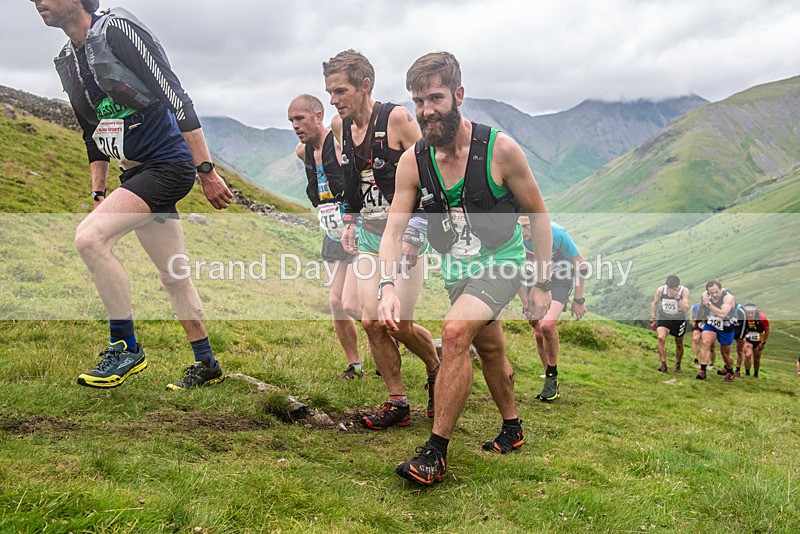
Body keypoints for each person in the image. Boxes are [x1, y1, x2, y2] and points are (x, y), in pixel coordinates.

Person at [34, 0, 233, 389]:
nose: (38, 3)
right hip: (134, 172)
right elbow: (93, 132)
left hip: (169, 165)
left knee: (90, 239)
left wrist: (205, 170)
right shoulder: (67, 60)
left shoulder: (117, 31)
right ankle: (207, 362)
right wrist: (98, 190)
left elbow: (176, 96)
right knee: (173, 275)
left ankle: (125, 346)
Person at [377, 52, 552, 486]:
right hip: (458, 271)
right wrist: (386, 286)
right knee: (490, 349)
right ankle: (512, 428)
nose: (426, 111)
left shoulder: (500, 150)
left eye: (435, 98)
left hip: (504, 261)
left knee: (454, 332)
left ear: (458, 95)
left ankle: (434, 453)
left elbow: (539, 214)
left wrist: (544, 282)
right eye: (418, 101)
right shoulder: (413, 162)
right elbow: (393, 232)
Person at [323, 50, 440, 424]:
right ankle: (398, 403)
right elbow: (352, 179)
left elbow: (431, 175)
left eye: (340, 91)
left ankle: (437, 367)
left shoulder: (397, 119)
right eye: (329, 92)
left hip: (403, 237)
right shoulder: (341, 128)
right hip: (370, 238)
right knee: (371, 321)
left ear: (365, 86)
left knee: (398, 323)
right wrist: (351, 222)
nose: (334, 100)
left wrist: (417, 233)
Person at [288, 94, 363, 380]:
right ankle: (354, 365)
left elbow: (344, 125)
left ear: (318, 116)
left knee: (356, 304)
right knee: (336, 302)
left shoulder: (338, 139)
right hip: (331, 233)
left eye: (300, 118)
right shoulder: (302, 152)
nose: (295, 125)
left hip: (356, 229)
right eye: (291, 121)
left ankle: (387, 345)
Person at [518, 217, 586, 401]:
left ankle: (551, 374)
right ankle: (549, 380)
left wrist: (579, 299)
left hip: (559, 279)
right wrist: (525, 303)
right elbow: (513, 271)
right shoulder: (514, 235)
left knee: (547, 325)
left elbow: (581, 264)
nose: (522, 231)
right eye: (519, 226)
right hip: (534, 280)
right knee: (539, 333)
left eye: (525, 226)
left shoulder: (557, 234)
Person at [696, 280, 737, 382]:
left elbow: (723, 314)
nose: (714, 295)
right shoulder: (705, 296)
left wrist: (708, 304)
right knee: (706, 343)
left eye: (716, 292)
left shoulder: (728, 297)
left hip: (726, 325)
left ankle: (730, 371)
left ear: (720, 289)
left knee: (725, 353)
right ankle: (703, 371)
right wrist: (698, 321)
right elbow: (701, 307)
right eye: (711, 293)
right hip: (712, 323)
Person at [650, 275, 690, 372]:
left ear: (677, 287)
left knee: (679, 343)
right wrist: (653, 319)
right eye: (669, 288)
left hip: (678, 319)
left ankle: (678, 363)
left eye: (673, 288)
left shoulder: (684, 291)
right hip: (665, 317)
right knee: (661, 338)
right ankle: (663, 364)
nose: (671, 290)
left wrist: (676, 297)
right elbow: (654, 303)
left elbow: (686, 308)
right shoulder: (661, 290)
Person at [740, 303, 770, 377]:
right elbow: (740, 328)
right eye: (748, 312)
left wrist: (763, 342)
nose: (750, 314)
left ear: (755, 310)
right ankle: (747, 373)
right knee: (748, 355)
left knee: (756, 359)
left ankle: (756, 374)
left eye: (752, 312)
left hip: (759, 340)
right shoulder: (743, 317)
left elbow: (767, 330)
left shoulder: (762, 317)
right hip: (748, 339)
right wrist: (742, 338)